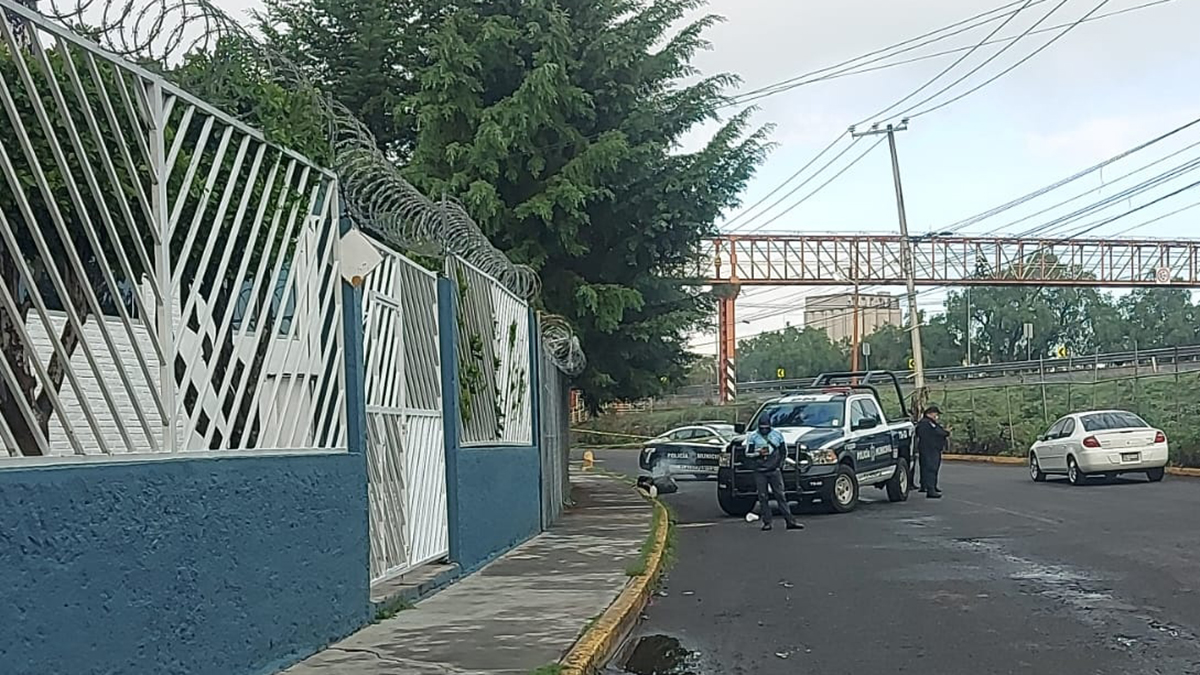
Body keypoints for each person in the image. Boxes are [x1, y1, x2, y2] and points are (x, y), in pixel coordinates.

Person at [745, 414, 803, 531]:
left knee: (781, 495)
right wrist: (758, 454)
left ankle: (790, 521)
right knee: (763, 497)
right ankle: (767, 522)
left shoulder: (777, 435)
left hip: (774, 469)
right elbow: (747, 454)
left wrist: (779, 465)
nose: (764, 430)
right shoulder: (753, 437)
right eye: (762, 428)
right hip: (760, 471)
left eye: (766, 427)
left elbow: (783, 452)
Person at [915, 405, 950, 499]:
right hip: (930, 449)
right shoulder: (927, 423)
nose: (937, 416)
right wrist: (946, 432)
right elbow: (939, 432)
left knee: (928, 468)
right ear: (929, 414)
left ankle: (928, 486)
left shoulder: (926, 423)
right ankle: (931, 490)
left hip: (929, 448)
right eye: (936, 414)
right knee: (931, 468)